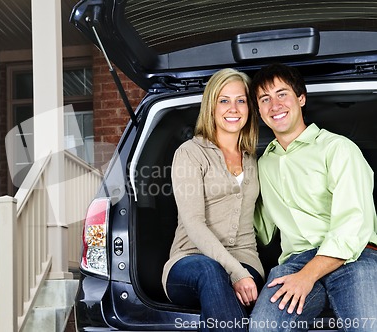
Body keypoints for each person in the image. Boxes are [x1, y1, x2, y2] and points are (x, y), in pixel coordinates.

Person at [250, 63, 377, 332]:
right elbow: (260, 230)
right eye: (265, 99)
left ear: (301, 98)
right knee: (263, 328)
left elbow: (353, 225)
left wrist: (307, 276)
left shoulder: (338, 149)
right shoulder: (263, 164)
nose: (275, 105)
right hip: (295, 261)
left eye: (282, 94)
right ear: (259, 111)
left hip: (356, 257)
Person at [162, 68, 264, 332]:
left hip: (245, 259)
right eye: (224, 100)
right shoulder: (190, 153)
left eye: (241, 100)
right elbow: (193, 223)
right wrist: (236, 272)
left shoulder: (252, 158)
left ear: (249, 108)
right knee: (211, 272)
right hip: (190, 261)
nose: (234, 108)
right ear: (211, 106)